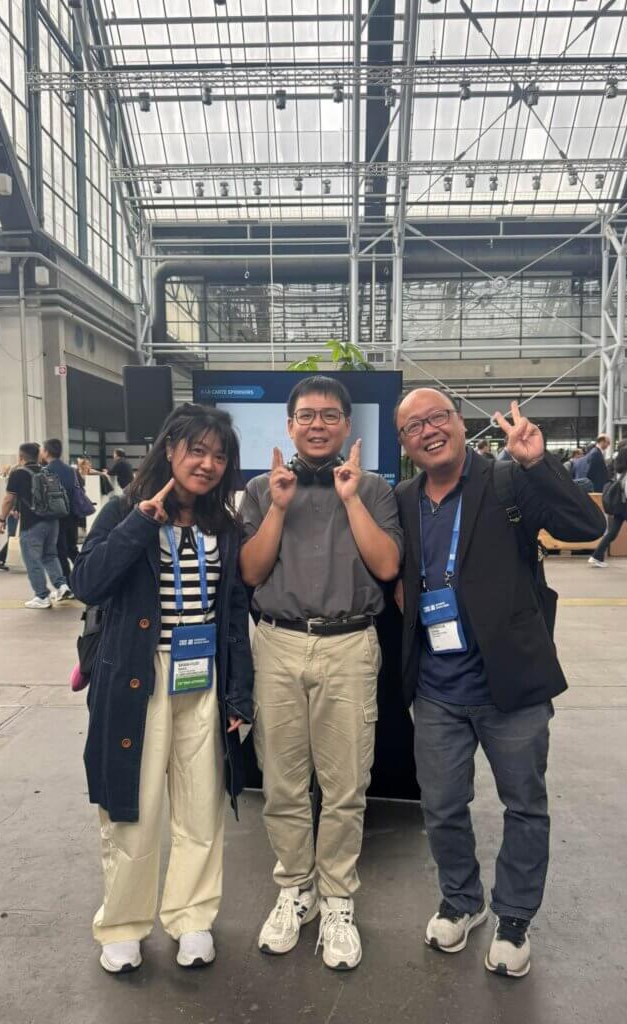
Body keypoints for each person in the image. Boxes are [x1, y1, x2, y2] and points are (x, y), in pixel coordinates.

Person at [393, 389, 604, 979]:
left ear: (461, 424)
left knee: (524, 805)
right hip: (436, 687)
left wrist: (539, 464)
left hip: (511, 684)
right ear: (404, 443)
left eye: (438, 417)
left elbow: (588, 527)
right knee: (440, 806)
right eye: (414, 425)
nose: (429, 430)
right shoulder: (404, 498)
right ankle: (462, 900)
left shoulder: (508, 481)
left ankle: (514, 917)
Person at [70, 404, 253, 975]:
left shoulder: (224, 526)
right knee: (135, 806)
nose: (207, 464)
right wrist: (139, 524)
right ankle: (123, 924)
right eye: (197, 450)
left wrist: (238, 695)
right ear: (169, 449)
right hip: (137, 677)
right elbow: (87, 582)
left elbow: (234, 616)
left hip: (203, 680)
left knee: (201, 807)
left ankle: (192, 917)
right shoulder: (125, 509)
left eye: (219, 455)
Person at [239, 375, 403, 971]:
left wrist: (352, 499)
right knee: (282, 781)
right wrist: (278, 508)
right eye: (306, 415)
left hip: (349, 645)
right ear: (289, 425)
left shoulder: (374, 488)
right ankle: (295, 887)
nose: (317, 425)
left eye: (329, 415)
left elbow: (387, 565)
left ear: (347, 425)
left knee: (345, 784)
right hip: (277, 644)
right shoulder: (261, 489)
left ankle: (336, 898)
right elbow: (252, 572)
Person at [0, 443, 71, 608]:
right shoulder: (46, 471)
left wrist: (2, 520)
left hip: (32, 524)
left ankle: (42, 596)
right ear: (38, 456)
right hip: (52, 522)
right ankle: (61, 586)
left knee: (32, 560)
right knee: (50, 556)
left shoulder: (18, 473)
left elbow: (8, 499)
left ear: (20, 457)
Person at [587, 446, 627, 567]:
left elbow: (622, 489)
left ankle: (596, 556)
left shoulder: (618, 471)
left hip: (619, 506)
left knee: (612, 532)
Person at [41, 438, 78, 587]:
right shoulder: (70, 470)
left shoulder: (45, 471)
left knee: (60, 551)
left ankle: (68, 583)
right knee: (72, 548)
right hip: (72, 514)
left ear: (46, 452)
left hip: (56, 517)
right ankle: (87, 572)